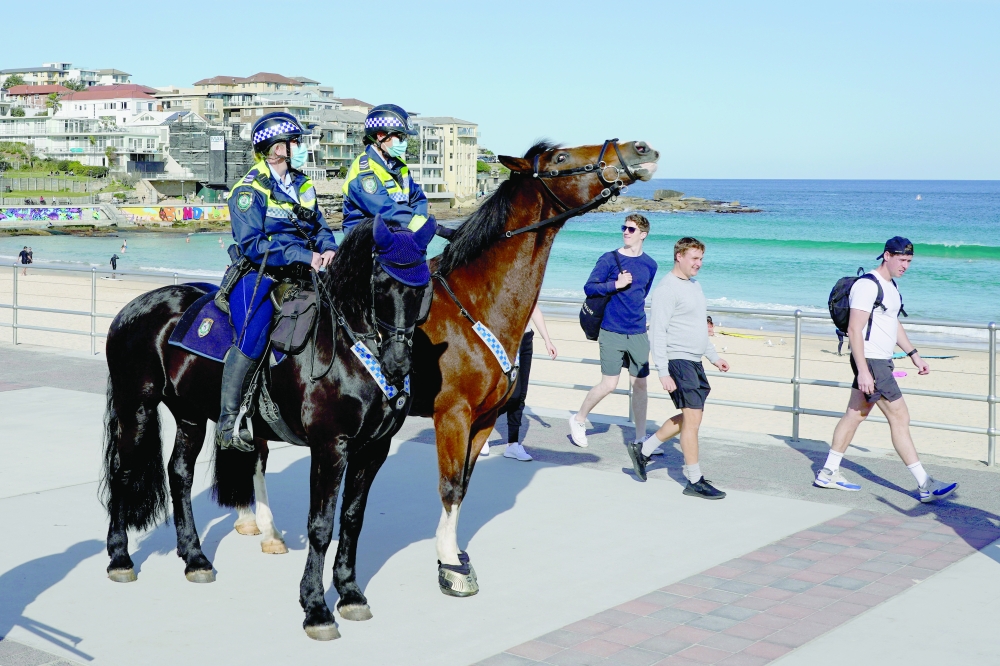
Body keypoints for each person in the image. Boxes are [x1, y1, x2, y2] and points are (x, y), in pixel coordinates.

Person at [215, 111, 338, 452]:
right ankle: (228, 424)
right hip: (261, 274)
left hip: (305, 274)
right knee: (252, 336)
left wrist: (327, 248)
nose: (300, 148)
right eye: (295, 142)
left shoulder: (303, 184)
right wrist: (302, 255)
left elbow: (320, 228)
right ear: (275, 147)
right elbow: (252, 244)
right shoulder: (247, 189)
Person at [816, 237, 957, 502]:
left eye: (909, 261)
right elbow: (854, 329)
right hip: (871, 361)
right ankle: (925, 484)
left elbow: (893, 324)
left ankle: (828, 472)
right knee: (900, 418)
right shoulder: (867, 286)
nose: (906, 265)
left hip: (880, 360)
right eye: (902, 260)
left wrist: (914, 354)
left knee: (854, 415)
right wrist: (863, 370)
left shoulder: (891, 287)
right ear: (887, 255)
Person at [627, 237, 730, 499]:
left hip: (695, 361)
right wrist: (662, 371)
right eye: (694, 259)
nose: (699, 264)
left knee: (689, 418)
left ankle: (644, 450)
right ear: (679, 257)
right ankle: (694, 480)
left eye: (701, 259)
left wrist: (713, 356)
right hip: (678, 361)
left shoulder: (695, 286)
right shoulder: (666, 289)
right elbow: (657, 332)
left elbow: (698, 328)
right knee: (693, 421)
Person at [570, 214, 658, 450]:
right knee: (609, 384)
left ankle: (640, 437)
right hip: (611, 330)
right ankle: (578, 419)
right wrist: (615, 285)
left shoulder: (651, 264)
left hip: (638, 331)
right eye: (624, 228)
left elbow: (642, 293)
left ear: (643, 234)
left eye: (631, 229)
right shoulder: (609, 259)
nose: (626, 232)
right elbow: (589, 287)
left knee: (640, 384)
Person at [341, 104, 429, 235]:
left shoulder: (399, 165)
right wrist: (414, 223)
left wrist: (421, 218)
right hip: (367, 240)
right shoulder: (363, 170)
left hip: (399, 232)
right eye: (400, 137)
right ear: (381, 135)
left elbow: (418, 198)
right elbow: (383, 208)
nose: (403, 142)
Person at [485, 305, 558, 461]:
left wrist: (547, 341)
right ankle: (481, 427)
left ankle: (513, 445)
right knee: (512, 394)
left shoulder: (527, 282)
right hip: (507, 339)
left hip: (526, 339)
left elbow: (535, 309)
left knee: (521, 396)